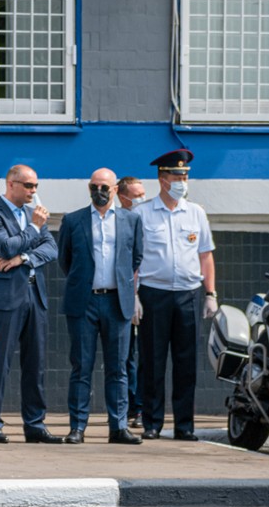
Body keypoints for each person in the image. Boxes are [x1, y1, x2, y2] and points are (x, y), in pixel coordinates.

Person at [133, 148, 216, 441]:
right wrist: (134, 296)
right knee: (152, 361)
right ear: (162, 178)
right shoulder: (142, 213)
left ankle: (184, 425)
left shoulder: (196, 212)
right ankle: (152, 423)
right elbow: (135, 258)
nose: (182, 180)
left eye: (185, 175)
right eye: (177, 175)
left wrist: (210, 293)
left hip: (188, 295)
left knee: (186, 363)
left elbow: (205, 255)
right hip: (153, 294)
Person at [59, 168, 143, 444]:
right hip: (84, 302)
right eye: (95, 186)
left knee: (117, 368)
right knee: (81, 367)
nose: (99, 191)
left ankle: (118, 427)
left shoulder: (131, 220)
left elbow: (135, 258)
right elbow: (66, 261)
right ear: (89, 188)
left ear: (116, 189)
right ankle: (78, 427)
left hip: (117, 302)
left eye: (105, 187)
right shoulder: (73, 220)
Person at [0, 164, 58, 443]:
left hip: (35, 293)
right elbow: (4, 247)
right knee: (0, 362)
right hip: (5, 297)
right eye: (28, 186)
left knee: (35, 362)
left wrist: (23, 259)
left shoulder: (31, 215)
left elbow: (51, 248)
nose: (33, 191)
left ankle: (34, 424)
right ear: (10, 184)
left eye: (35, 186)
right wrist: (34, 229)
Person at [117, 175, 147, 411]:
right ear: (122, 196)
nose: (141, 199)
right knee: (126, 356)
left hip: (153, 292)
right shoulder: (120, 221)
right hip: (127, 295)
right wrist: (133, 294)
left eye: (142, 194)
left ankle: (140, 403)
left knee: (147, 354)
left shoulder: (150, 218)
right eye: (136, 196)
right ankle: (129, 405)